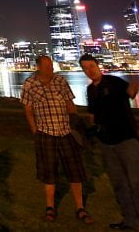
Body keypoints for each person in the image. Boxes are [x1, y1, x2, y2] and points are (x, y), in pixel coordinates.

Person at [80, 54, 139, 231]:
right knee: (119, 183)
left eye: (91, 66)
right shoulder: (90, 90)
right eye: (85, 68)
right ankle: (129, 220)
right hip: (107, 142)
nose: (89, 70)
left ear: (98, 65)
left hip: (126, 139)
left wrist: (134, 87)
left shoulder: (113, 81)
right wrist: (93, 130)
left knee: (136, 182)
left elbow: (130, 93)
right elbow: (92, 114)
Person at [21, 55, 92, 224]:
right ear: (38, 67)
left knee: (75, 171)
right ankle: (50, 207)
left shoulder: (60, 81)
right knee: (49, 172)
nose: (50, 69)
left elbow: (70, 104)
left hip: (65, 132)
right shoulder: (29, 84)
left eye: (51, 65)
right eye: (46, 66)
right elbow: (28, 110)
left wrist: (74, 124)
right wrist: (35, 131)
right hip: (45, 133)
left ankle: (80, 207)